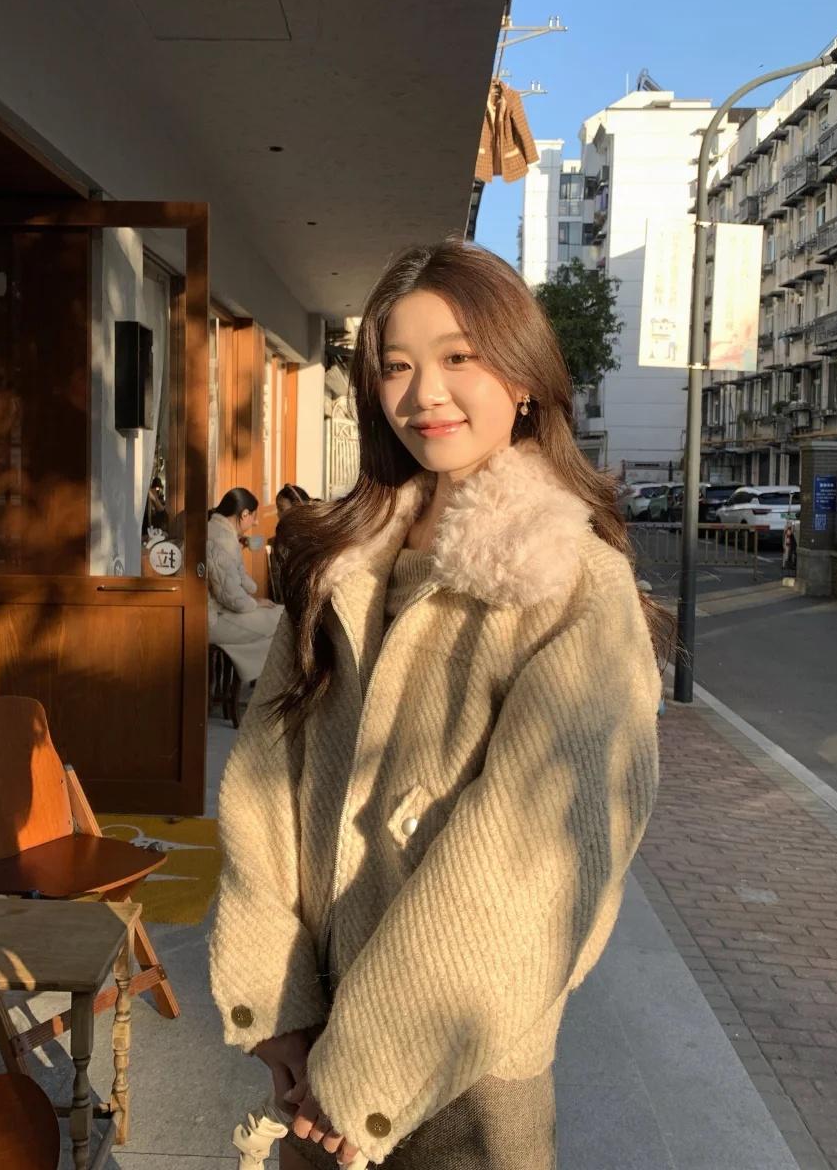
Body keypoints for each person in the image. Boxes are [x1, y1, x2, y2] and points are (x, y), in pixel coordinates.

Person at [209, 240, 669, 1169]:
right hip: (317, 1037)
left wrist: (366, 1068)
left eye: (460, 356)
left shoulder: (571, 582)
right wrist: (280, 1004)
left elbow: (539, 859)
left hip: (469, 1066)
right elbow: (265, 780)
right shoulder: (343, 558)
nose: (426, 394)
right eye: (396, 366)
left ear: (524, 377)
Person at [206, 487, 283, 684]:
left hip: (219, 613)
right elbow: (234, 599)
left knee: (279, 614)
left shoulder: (221, 531)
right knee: (283, 621)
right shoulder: (221, 538)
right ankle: (269, 683)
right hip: (211, 620)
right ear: (244, 514)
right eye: (254, 517)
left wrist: (255, 599)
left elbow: (242, 585)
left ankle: (259, 680)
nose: (255, 522)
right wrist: (256, 603)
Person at [268, 484, 313, 603]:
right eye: (277, 509)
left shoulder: (312, 536)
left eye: (281, 509)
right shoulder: (282, 537)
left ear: (297, 508)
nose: (278, 514)